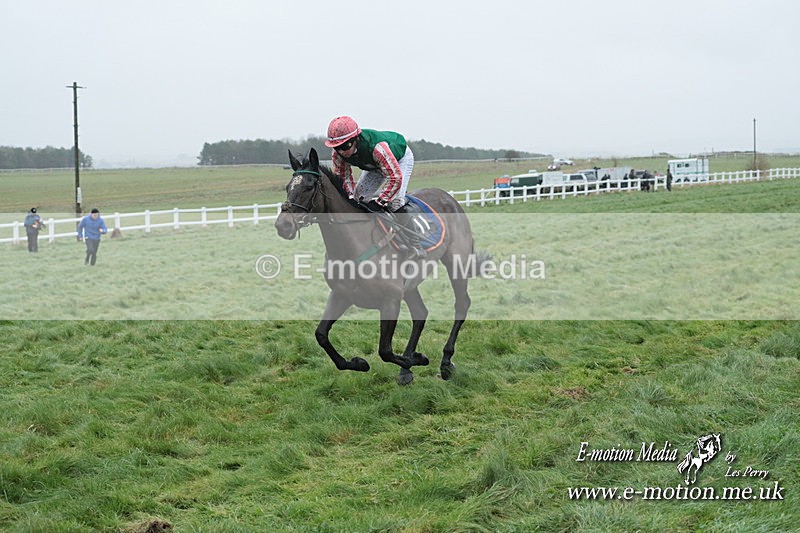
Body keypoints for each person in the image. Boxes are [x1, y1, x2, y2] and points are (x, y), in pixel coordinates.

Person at [325, 116, 426, 259]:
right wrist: (350, 197)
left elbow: (395, 178)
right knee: (359, 199)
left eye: (345, 146)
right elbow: (343, 178)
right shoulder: (337, 155)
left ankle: (415, 245)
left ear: (356, 139)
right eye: (337, 147)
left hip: (399, 159)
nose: (341, 152)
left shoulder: (378, 148)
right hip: (374, 165)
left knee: (394, 202)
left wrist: (380, 202)